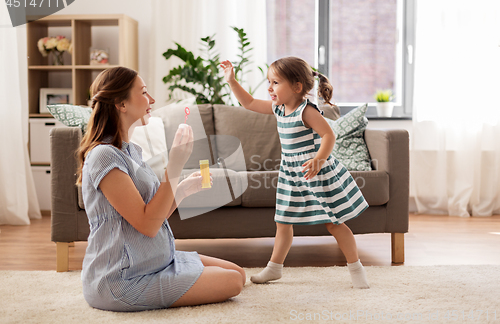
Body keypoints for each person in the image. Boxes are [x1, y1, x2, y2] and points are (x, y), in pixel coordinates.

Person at [76, 66, 246, 312]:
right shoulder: (104, 156)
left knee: (237, 272)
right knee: (232, 282)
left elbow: (152, 215)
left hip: (156, 261)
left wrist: (183, 190)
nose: (152, 100)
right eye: (144, 92)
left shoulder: (131, 151)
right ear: (120, 104)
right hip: (123, 279)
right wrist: (175, 164)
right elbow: (147, 224)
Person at [220, 57, 370, 289]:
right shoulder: (278, 108)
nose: (269, 88)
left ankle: (356, 269)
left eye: (275, 82)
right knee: (283, 222)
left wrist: (318, 160)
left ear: (297, 87)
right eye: (269, 82)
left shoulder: (306, 111)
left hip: (315, 174)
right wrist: (231, 81)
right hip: (290, 175)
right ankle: (274, 268)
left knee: (334, 223)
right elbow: (248, 102)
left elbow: (329, 135)